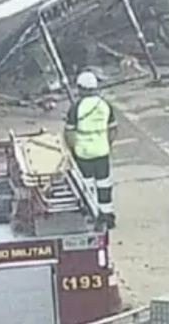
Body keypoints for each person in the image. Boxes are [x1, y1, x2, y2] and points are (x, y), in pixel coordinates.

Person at [65, 71, 117, 229]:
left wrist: (72, 149)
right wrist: (106, 143)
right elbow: (113, 129)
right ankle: (107, 215)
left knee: (87, 185)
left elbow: (69, 132)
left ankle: (92, 215)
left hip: (83, 152)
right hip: (102, 150)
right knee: (104, 184)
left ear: (81, 88)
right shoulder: (105, 105)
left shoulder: (76, 107)